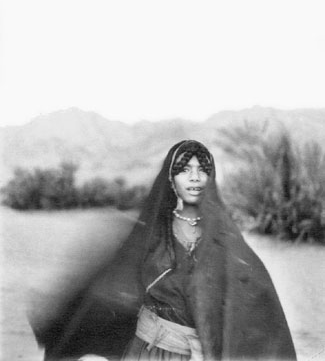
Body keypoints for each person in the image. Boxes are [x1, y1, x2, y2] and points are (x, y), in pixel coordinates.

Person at [29, 140, 297, 361]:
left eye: (202, 169)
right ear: (170, 178)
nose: (194, 177)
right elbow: (109, 287)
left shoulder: (227, 243)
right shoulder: (149, 234)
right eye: (184, 169)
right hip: (146, 352)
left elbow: (257, 308)